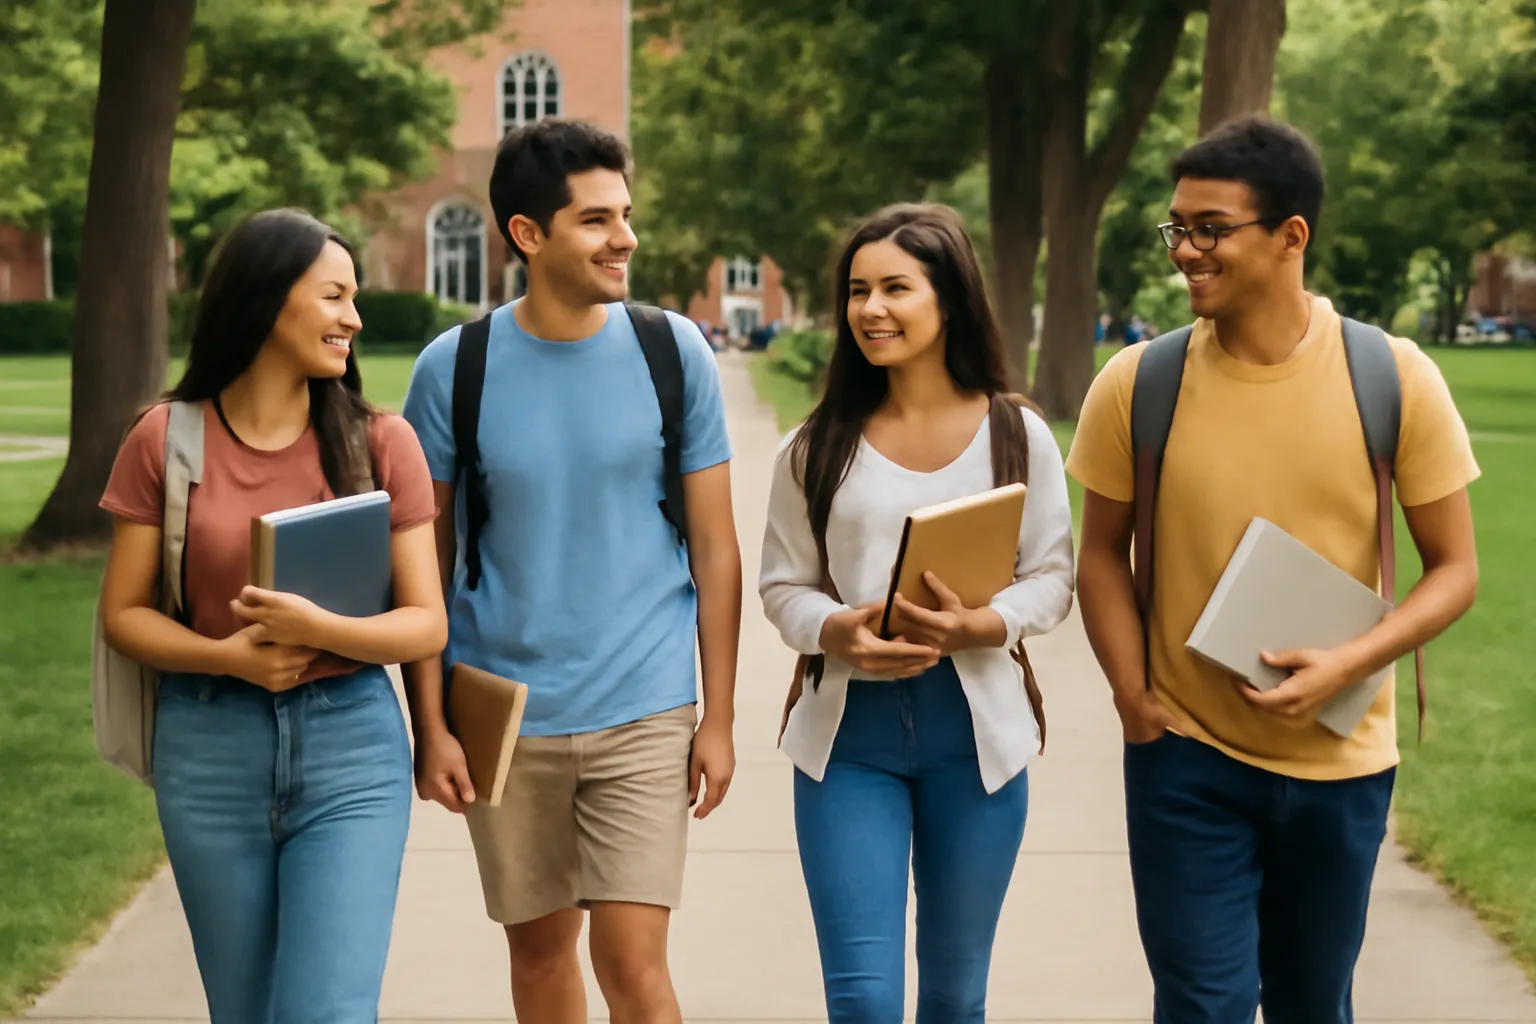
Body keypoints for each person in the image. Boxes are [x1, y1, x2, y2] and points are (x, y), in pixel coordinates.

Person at [1067, 117, 1481, 1024]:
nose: (1186, 251)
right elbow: (1098, 550)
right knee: (1201, 1007)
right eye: (1177, 228)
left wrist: (1355, 661)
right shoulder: (1139, 384)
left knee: (1311, 1005)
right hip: (1185, 759)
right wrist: (1130, 694)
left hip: (1342, 765)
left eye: (1210, 229)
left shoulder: (1393, 377)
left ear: (1292, 235)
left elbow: (1454, 570)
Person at [399, 118, 741, 1024]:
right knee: (542, 954)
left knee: (634, 966)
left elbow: (715, 548)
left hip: (646, 704)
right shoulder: (452, 369)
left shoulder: (675, 353)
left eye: (624, 215)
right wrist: (428, 722)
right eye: (595, 220)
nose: (624, 237)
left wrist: (721, 717)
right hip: (506, 715)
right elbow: (422, 561)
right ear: (527, 235)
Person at [98, 208, 447, 1023]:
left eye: (354, 299)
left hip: (351, 750)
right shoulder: (163, 440)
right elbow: (124, 614)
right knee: (246, 1012)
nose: (353, 318)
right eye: (333, 297)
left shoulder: (381, 445)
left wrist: (319, 631)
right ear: (265, 301)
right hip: (209, 748)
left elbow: (425, 622)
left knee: (328, 1012)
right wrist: (231, 657)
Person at [759, 203, 1075, 1023]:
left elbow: (1051, 576)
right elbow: (782, 587)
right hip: (847, 746)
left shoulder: (1018, 434)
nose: (871, 309)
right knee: (863, 1002)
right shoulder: (816, 446)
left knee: (954, 997)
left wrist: (986, 625)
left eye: (896, 287)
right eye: (858, 291)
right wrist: (836, 629)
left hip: (975, 747)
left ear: (950, 298)